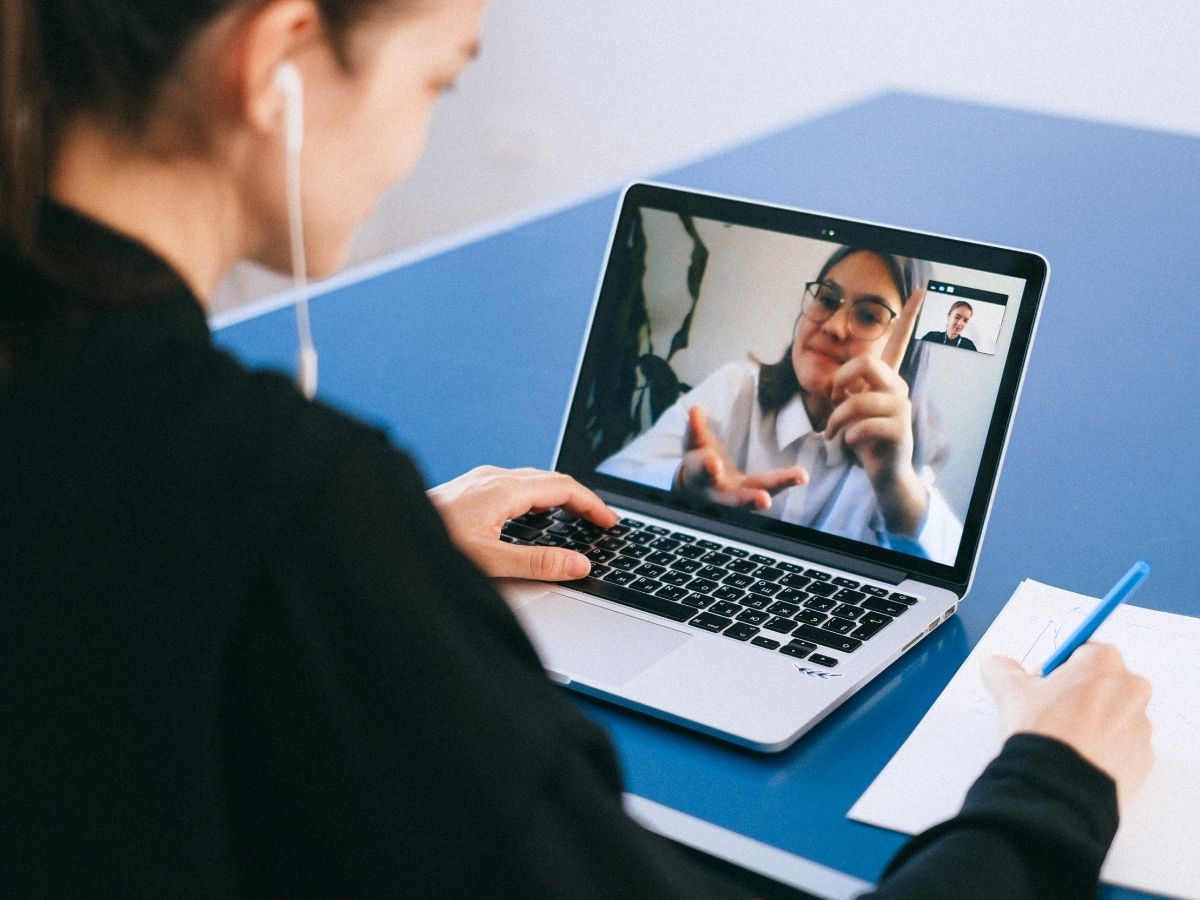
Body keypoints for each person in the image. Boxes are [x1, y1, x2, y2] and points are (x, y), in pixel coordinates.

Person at [0, 1, 1152, 897]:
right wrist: (1055, 783)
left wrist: (393, 546)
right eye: (438, 78)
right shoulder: (294, 512)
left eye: (869, 315)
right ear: (279, 62)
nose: (418, 137)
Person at [599, 247, 962, 564]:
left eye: (868, 315)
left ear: (907, 349)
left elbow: (947, 573)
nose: (834, 326)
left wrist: (896, 483)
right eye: (826, 299)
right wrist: (682, 481)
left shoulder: (895, 457)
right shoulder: (736, 387)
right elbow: (611, 476)